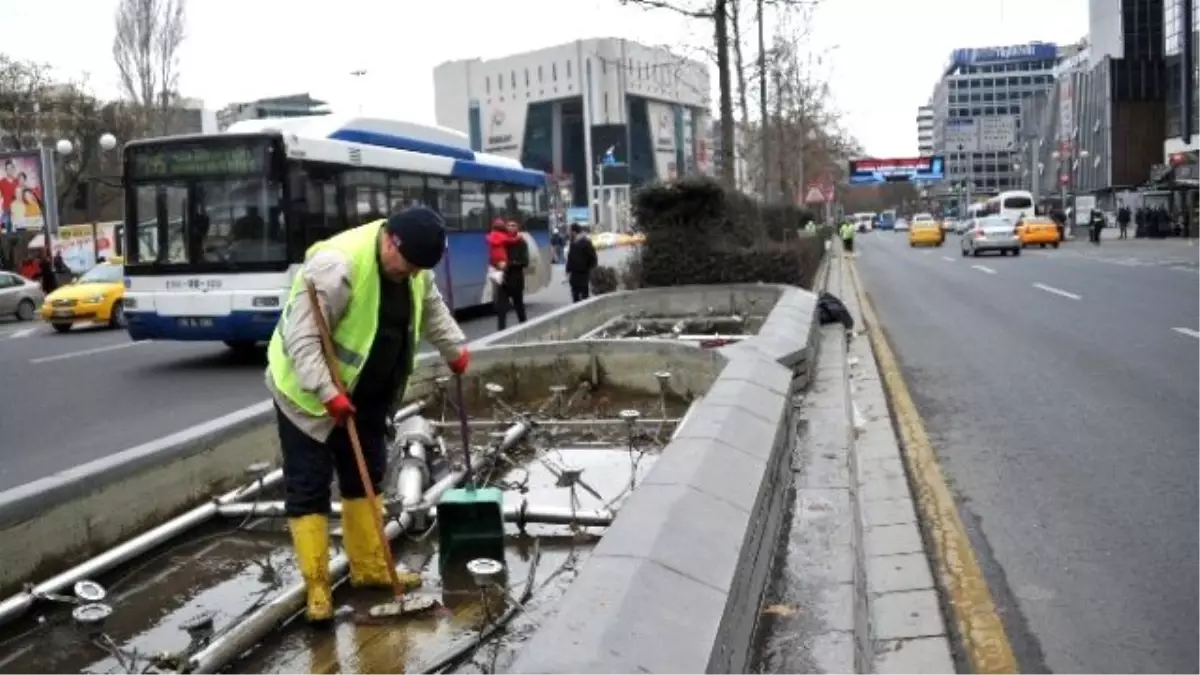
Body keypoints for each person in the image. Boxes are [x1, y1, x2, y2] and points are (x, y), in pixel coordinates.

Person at [265, 207, 471, 623]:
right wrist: (326, 393)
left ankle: (371, 570)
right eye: (407, 264)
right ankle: (318, 588)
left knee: (365, 476)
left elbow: (432, 310)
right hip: (307, 397)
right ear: (390, 241)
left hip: (367, 395)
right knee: (308, 485)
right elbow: (301, 341)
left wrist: (456, 349)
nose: (411, 273)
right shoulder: (335, 267)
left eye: (419, 268)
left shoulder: (415, 270)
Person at [495, 219, 528, 330]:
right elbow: (496, 256)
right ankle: (500, 333)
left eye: (513, 225)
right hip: (503, 280)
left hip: (516, 280)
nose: (510, 227)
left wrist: (509, 263)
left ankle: (525, 328)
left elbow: (525, 262)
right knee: (501, 309)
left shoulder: (521, 242)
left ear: (517, 228)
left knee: (519, 307)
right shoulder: (502, 241)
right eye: (508, 225)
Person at [564, 223, 597, 302]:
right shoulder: (573, 243)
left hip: (583, 274)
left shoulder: (586, 242)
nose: (568, 233)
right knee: (575, 296)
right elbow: (570, 258)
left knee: (584, 296)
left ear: (574, 232)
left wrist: (591, 270)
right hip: (574, 275)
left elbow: (593, 258)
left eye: (570, 231)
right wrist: (568, 271)